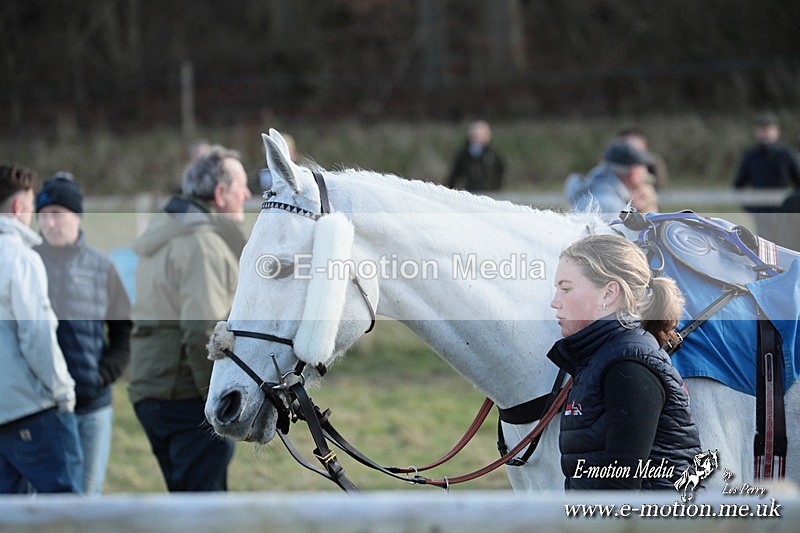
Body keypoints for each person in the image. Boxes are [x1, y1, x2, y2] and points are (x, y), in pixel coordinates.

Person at [127, 145, 251, 491]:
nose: (248, 193)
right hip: (185, 397)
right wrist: (220, 400)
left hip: (152, 390)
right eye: (241, 185)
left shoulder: (166, 231)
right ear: (220, 193)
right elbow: (203, 331)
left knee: (183, 506)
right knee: (202, 515)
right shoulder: (202, 244)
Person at [547, 234, 701, 490]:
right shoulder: (601, 358)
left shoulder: (629, 366)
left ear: (609, 293)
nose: (554, 302)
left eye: (566, 288)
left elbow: (620, 493)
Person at [34, 172, 132, 495]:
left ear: (76, 216)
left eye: (57, 215)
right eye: (44, 216)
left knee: (86, 503)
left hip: (92, 409)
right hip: (39, 411)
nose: (50, 224)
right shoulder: (25, 265)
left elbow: (123, 332)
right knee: (38, 506)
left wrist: (101, 375)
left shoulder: (101, 266)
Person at [0, 164, 83, 494]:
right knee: (69, 513)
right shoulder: (20, 257)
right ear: (19, 207)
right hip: (31, 410)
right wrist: (63, 391)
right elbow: (36, 334)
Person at [733, 113, 800, 241]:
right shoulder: (751, 157)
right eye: (762, 130)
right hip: (762, 212)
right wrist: (751, 208)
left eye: (769, 129)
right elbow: (738, 186)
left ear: (776, 131)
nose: (765, 133)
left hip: (785, 212)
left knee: (786, 244)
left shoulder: (787, 154)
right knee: (764, 244)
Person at [566, 139, 654, 219]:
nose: (646, 173)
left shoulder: (599, 193)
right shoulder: (609, 206)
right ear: (633, 173)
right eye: (643, 167)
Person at [447, 120, 505, 192]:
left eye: (479, 135)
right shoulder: (463, 153)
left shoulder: (492, 153)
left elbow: (500, 170)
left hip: (489, 192)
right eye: (474, 135)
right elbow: (455, 173)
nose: (476, 138)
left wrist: (496, 187)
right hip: (470, 191)